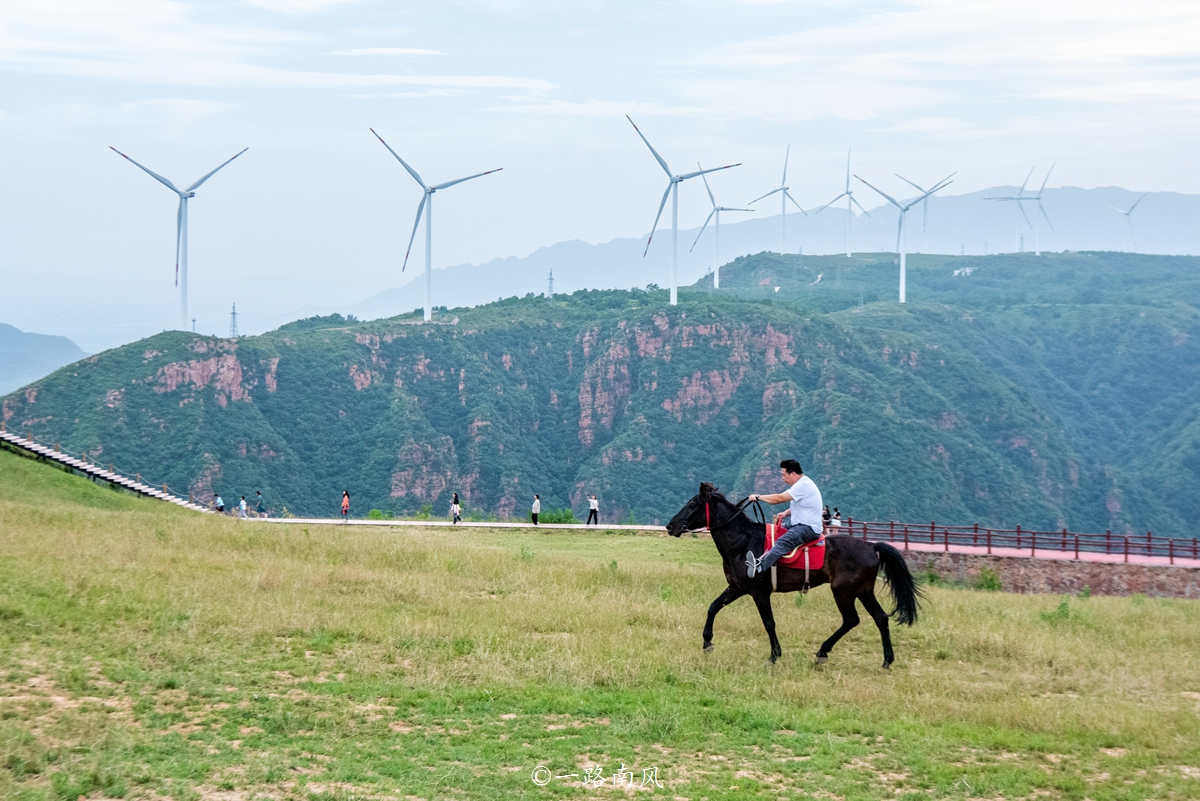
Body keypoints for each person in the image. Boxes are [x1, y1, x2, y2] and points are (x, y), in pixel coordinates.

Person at [744, 459, 823, 578]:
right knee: (773, 531)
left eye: (784, 475)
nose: (782, 478)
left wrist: (758, 497)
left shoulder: (802, 485)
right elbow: (804, 507)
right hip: (798, 523)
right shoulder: (803, 484)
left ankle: (759, 567)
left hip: (808, 528)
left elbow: (779, 499)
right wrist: (786, 512)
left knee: (782, 542)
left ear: (793, 474)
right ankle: (763, 556)